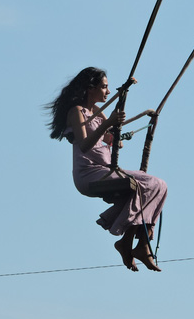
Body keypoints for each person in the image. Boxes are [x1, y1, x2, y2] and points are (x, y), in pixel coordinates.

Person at [48, 67, 167, 272]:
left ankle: (136, 244)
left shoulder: (96, 112)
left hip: (107, 169)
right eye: (104, 87)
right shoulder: (77, 112)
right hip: (89, 173)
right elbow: (85, 145)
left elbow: (111, 137)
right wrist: (108, 125)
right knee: (146, 185)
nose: (108, 92)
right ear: (90, 88)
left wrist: (120, 131)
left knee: (159, 185)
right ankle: (134, 244)